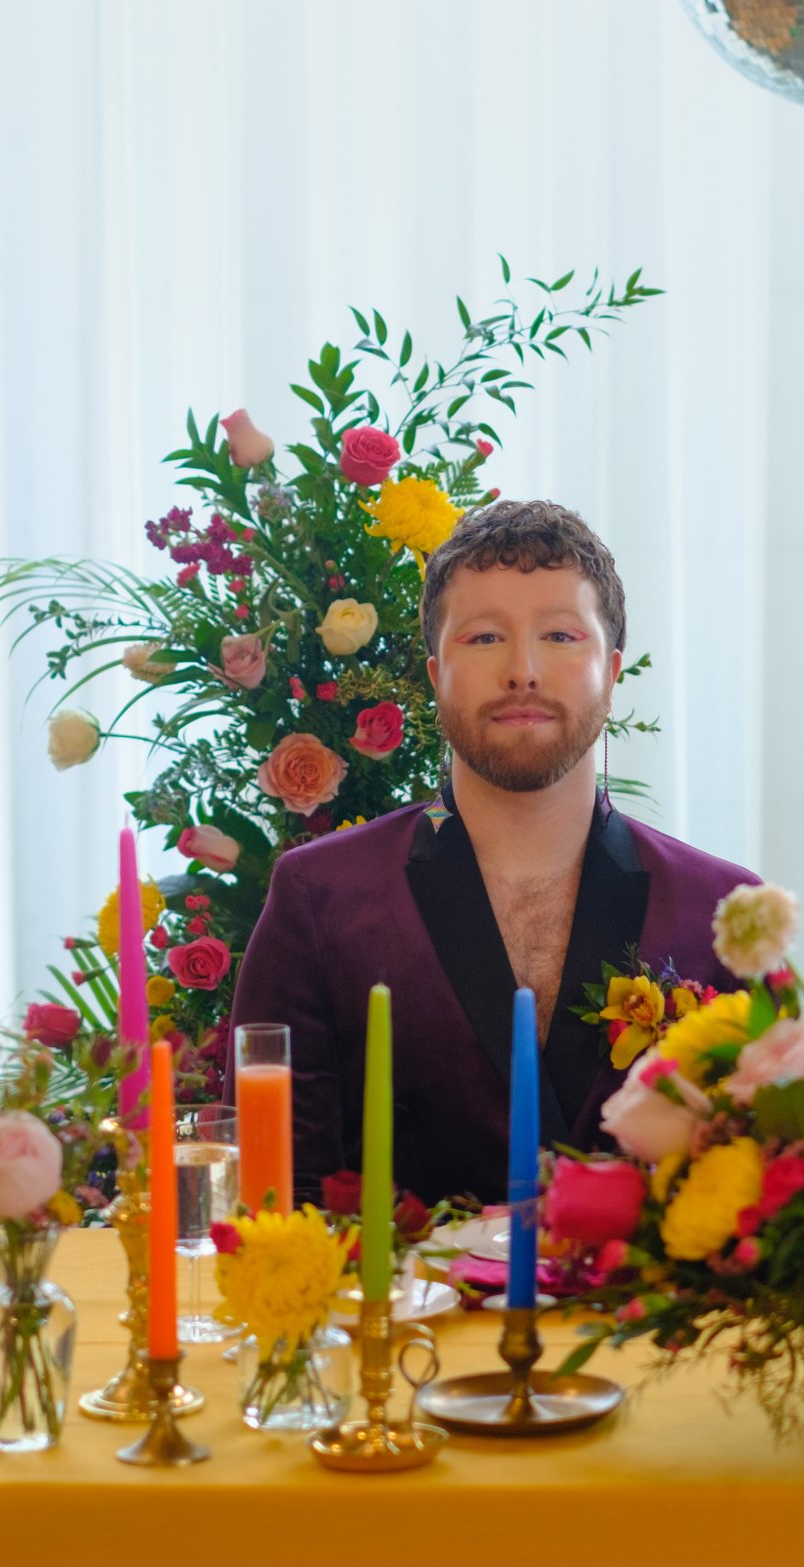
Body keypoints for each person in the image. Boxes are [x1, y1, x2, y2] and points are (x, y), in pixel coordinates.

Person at [230, 500, 757, 1206]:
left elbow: (765, 1188)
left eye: (561, 635)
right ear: (433, 672)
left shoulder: (723, 913)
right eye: (483, 639)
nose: (523, 670)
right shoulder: (320, 899)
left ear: (613, 670)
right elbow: (277, 1195)